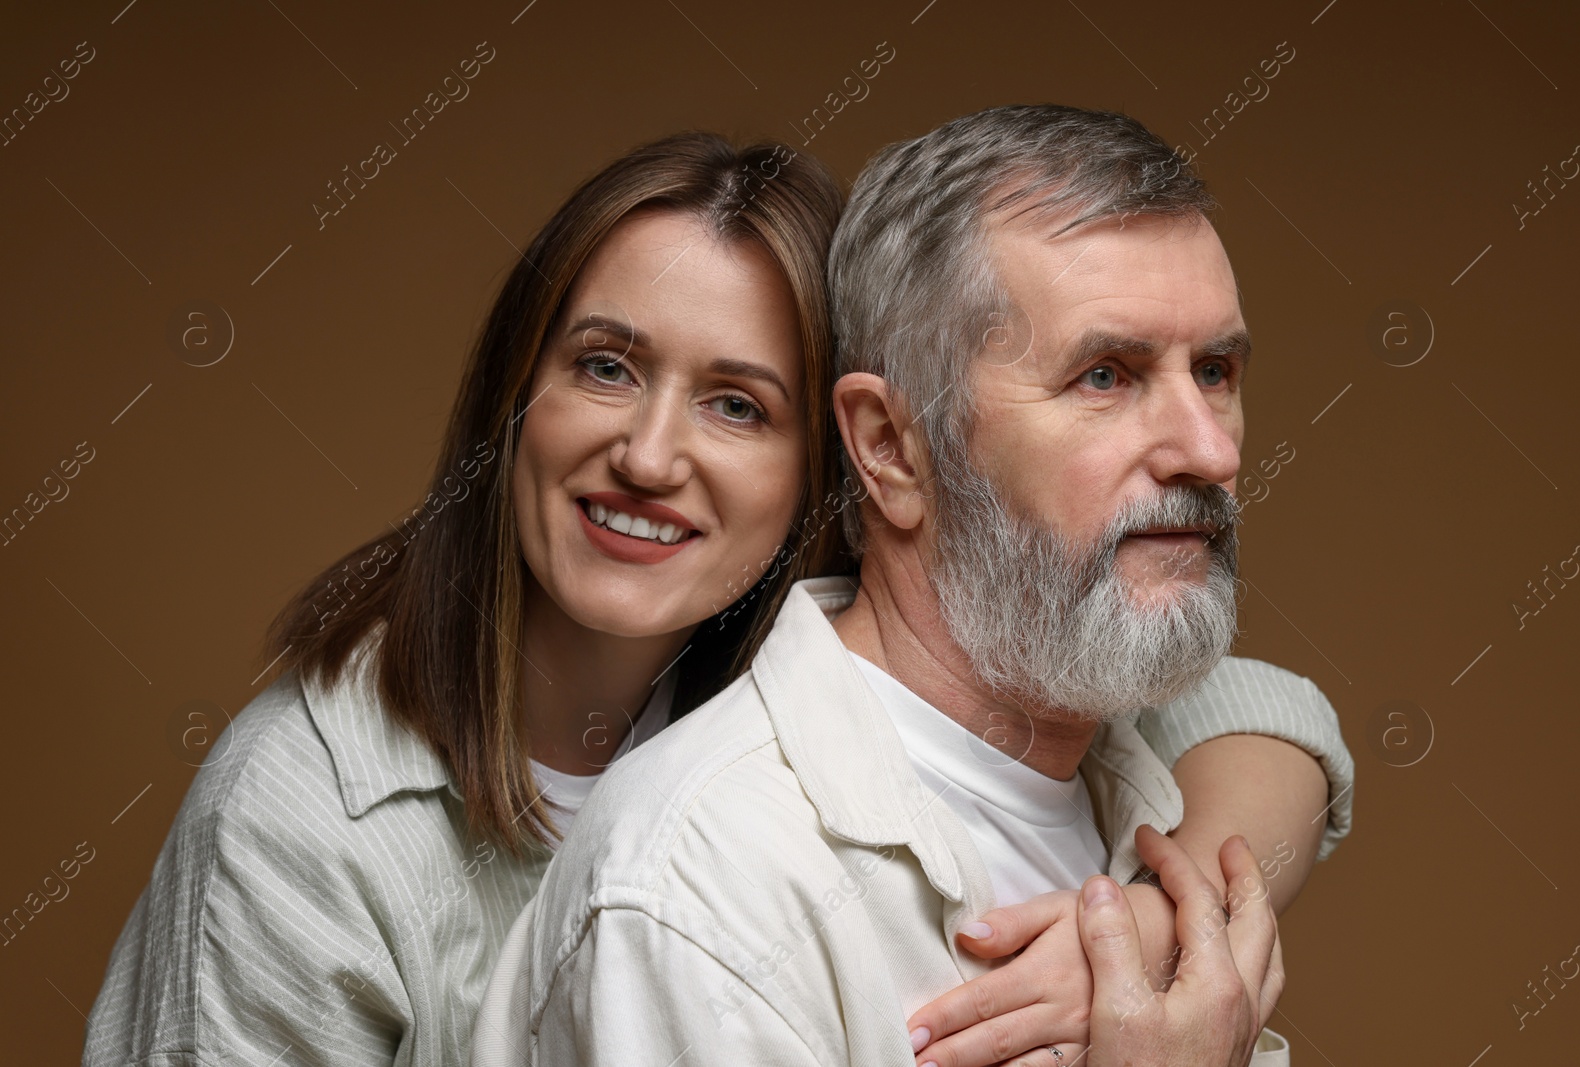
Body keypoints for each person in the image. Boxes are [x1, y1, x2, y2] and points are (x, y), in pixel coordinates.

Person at [84, 129, 1347, 1067]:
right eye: (605, 366)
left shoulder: (870, 664)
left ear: (846, 461)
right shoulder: (316, 814)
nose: (649, 454)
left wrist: (1142, 915)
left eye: (738, 403)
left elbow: (1246, 703)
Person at [471, 106, 1354, 1067]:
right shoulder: (699, 897)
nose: (1210, 449)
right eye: (1105, 376)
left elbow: (1275, 714)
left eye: (1216, 370)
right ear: (892, 449)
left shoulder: (1142, 787)